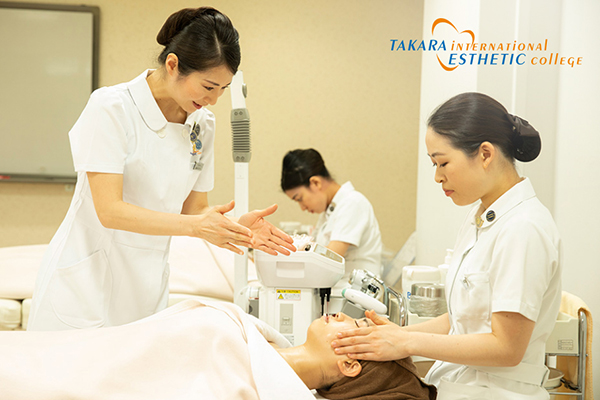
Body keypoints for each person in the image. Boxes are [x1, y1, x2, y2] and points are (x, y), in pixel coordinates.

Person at [28, 7, 295, 332]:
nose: (213, 100)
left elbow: (194, 209)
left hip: (146, 283)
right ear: (172, 65)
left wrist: (237, 228)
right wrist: (197, 227)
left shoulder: (203, 124)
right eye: (208, 86)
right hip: (85, 284)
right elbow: (109, 211)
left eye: (223, 90)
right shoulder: (112, 107)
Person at [331, 92, 561, 400]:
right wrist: (393, 334)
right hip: (457, 384)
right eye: (434, 164)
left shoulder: (523, 228)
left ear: (485, 154)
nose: (438, 177)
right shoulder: (480, 216)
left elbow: (507, 348)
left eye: (443, 163)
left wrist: (405, 343)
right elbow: (461, 320)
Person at [0, 300, 436, 400]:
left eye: (356, 327)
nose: (343, 314)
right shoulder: (260, 343)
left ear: (349, 364)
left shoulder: (245, 383)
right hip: (79, 349)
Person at [281, 148, 382, 279]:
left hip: (354, 288)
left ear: (315, 183)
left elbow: (330, 258)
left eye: (299, 198)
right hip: (337, 285)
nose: (302, 208)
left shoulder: (352, 203)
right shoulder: (329, 211)